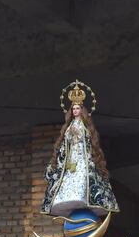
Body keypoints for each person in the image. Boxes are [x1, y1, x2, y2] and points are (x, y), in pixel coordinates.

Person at [41, 81, 119, 218]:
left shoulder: (86, 127)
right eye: (73, 109)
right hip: (71, 159)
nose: (75, 111)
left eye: (77, 108)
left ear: (82, 110)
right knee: (68, 179)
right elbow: (65, 145)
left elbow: (89, 143)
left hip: (83, 158)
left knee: (84, 178)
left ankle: (85, 199)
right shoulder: (68, 127)